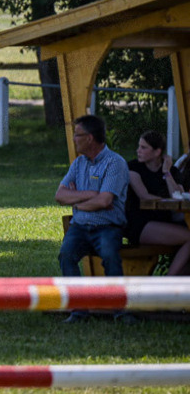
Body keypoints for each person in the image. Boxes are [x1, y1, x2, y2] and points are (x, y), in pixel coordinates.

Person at [55, 115, 129, 323]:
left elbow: (105, 201)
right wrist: (89, 195)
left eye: (77, 135)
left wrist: (76, 202)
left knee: (110, 256)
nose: (74, 139)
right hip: (79, 226)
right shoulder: (78, 164)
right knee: (66, 256)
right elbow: (60, 196)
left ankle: (120, 311)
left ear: (89, 138)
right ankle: (79, 311)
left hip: (107, 226)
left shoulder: (116, 163)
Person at [126, 130, 190, 275]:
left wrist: (166, 171)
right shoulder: (133, 168)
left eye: (143, 147)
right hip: (141, 223)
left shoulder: (172, 171)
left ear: (157, 152)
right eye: (139, 146)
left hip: (165, 222)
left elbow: (177, 195)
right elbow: (144, 196)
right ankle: (168, 280)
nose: (138, 151)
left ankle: (178, 283)